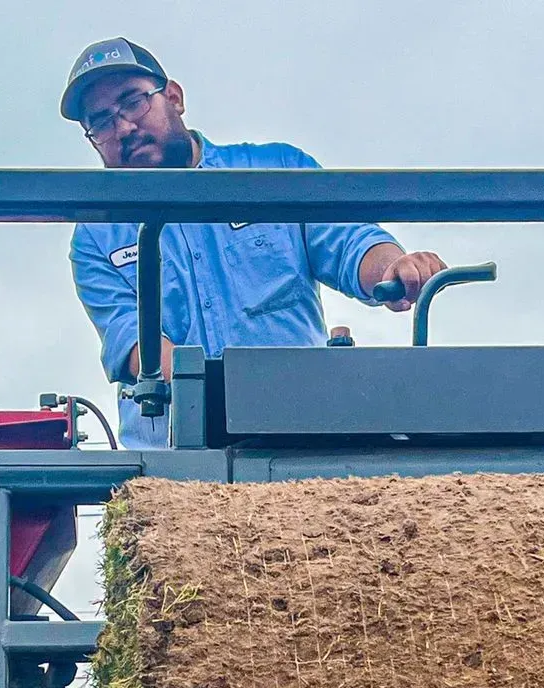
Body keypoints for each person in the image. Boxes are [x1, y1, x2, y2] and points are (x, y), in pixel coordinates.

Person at [62, 37, 447, 447]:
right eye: (101, 121)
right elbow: (137, 347)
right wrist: (233, 400)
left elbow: (350, 240)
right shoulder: (93, 237)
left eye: (133, 101)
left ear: (174, 97)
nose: (122, 127)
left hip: (298, 444)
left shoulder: (276, 170)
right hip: (174, 465)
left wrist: (392, 268)